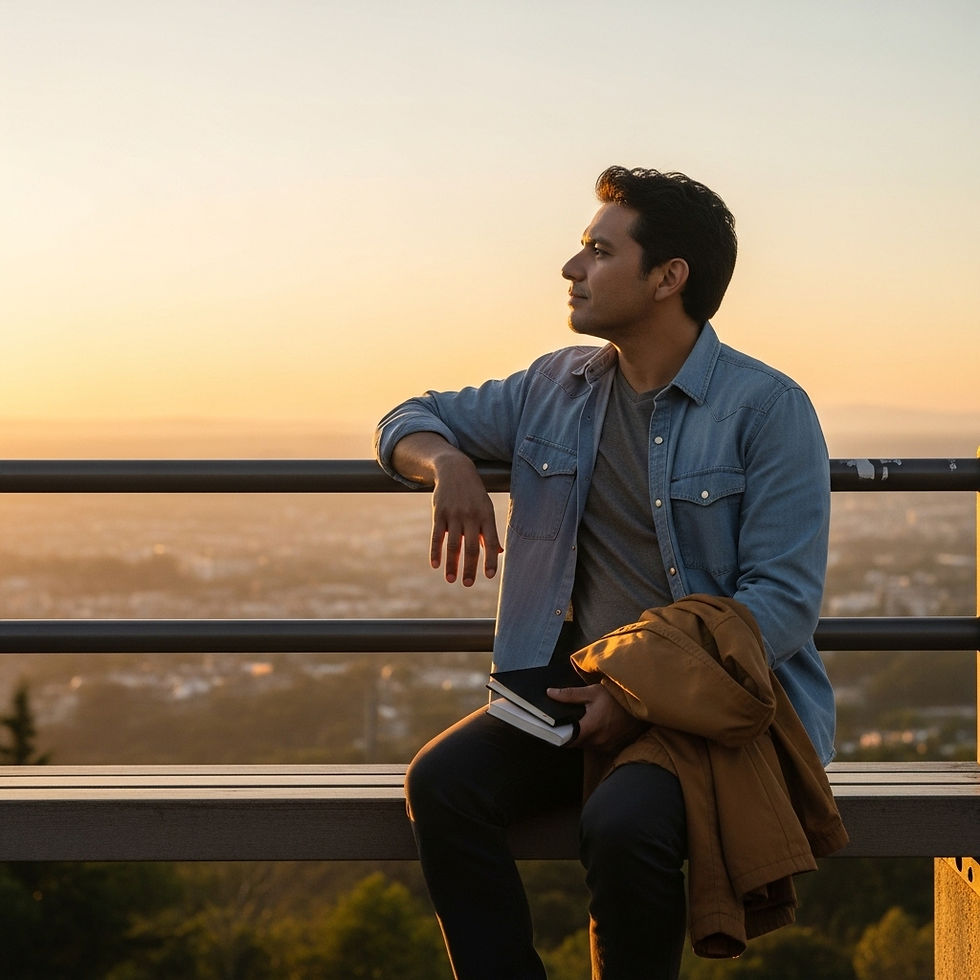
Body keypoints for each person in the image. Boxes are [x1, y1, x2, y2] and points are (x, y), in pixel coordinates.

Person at [374, 166, 835, 979]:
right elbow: (406, 418)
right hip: (574, 694)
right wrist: (447, 463)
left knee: (623, 825)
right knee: (441, 784)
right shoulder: (555, 387)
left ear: (668, 277)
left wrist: (637, 692)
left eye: (598, 251)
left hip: (713, 711)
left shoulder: (767, 409)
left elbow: (783, 604)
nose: (571, 267)